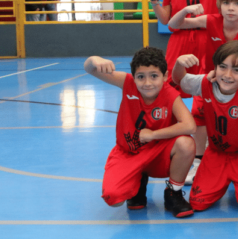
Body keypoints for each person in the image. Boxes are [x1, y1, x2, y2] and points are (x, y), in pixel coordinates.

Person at [84, 47, 196, 218]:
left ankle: (173, 192)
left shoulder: (169, 94)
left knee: (186, 143)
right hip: (129, 152)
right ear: (134, 77)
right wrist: (94, 59)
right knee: (114, 199)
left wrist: (153, 135)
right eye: (141, 77)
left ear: (165, 77)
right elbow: (90, 69)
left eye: (154, 76)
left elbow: (190, 126)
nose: (147, 83)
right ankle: (138, 181)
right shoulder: (127, 83)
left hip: (158, 153)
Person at [147, 0, 220, 185]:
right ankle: (169, 149)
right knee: (171, 97)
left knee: (203, 99)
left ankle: (201, 156)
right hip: (179, 44)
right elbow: (166, 19)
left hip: (207, 42)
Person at [172, 41, 238, 213]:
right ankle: (220, 179)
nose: (228, 75)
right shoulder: (205, 83)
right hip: (216, 153)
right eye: (222, 67)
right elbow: (179, 79)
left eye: (237, 70)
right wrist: (179, 63)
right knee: (197, 202)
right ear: (215, 68)